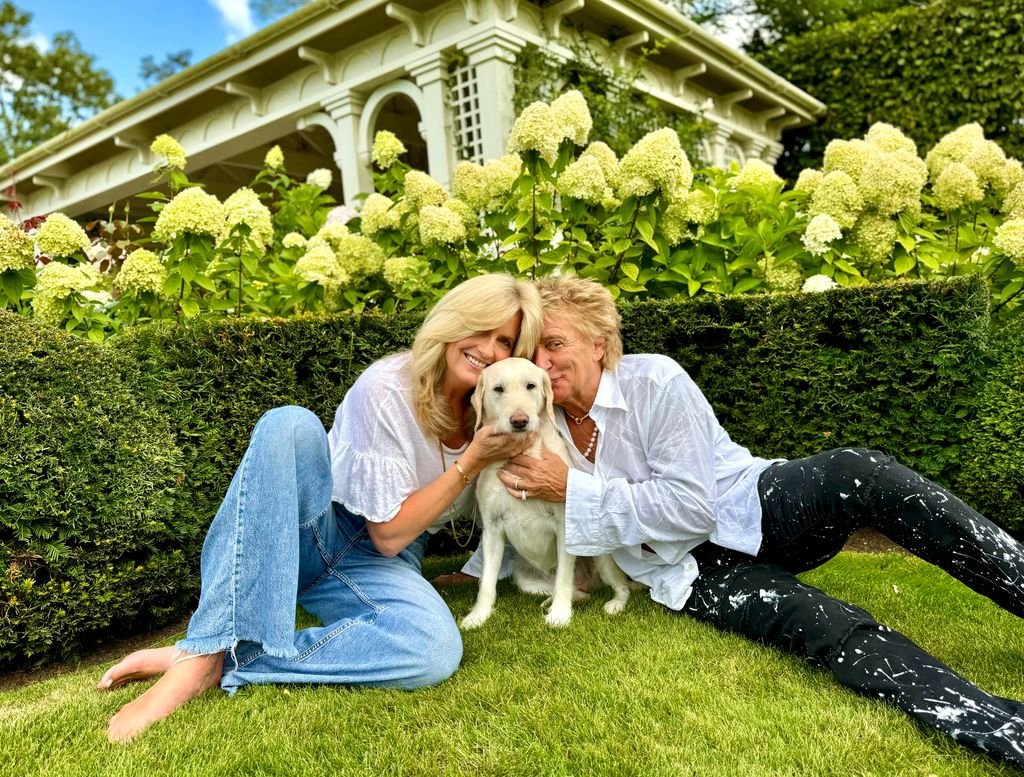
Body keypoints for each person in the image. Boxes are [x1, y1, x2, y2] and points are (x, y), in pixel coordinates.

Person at [496, 274, 1024, 767]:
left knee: (860, 471)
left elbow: (692, 507)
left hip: (751, 504)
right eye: (532, 351)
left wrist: (574, 490)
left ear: (599, 343)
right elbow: (510, 500)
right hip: (692, 572)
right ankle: (999, 727)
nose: (540, 365)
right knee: (824, 626)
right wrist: (482, 568)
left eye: (555, 345)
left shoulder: (654, 381)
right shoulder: (532, 415)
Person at [98, 273, 544, 742]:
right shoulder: (388, 387)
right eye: (481, 328)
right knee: (289, 424)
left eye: (505, 340)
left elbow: (508, 502)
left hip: (384, 566)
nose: (490, 349)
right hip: (315, 532)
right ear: (454, 322)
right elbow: (387, 531)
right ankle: (202, 651)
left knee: (431, 649)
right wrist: (472, 460)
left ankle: (229, 660)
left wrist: (481, 563)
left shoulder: (505, 406)